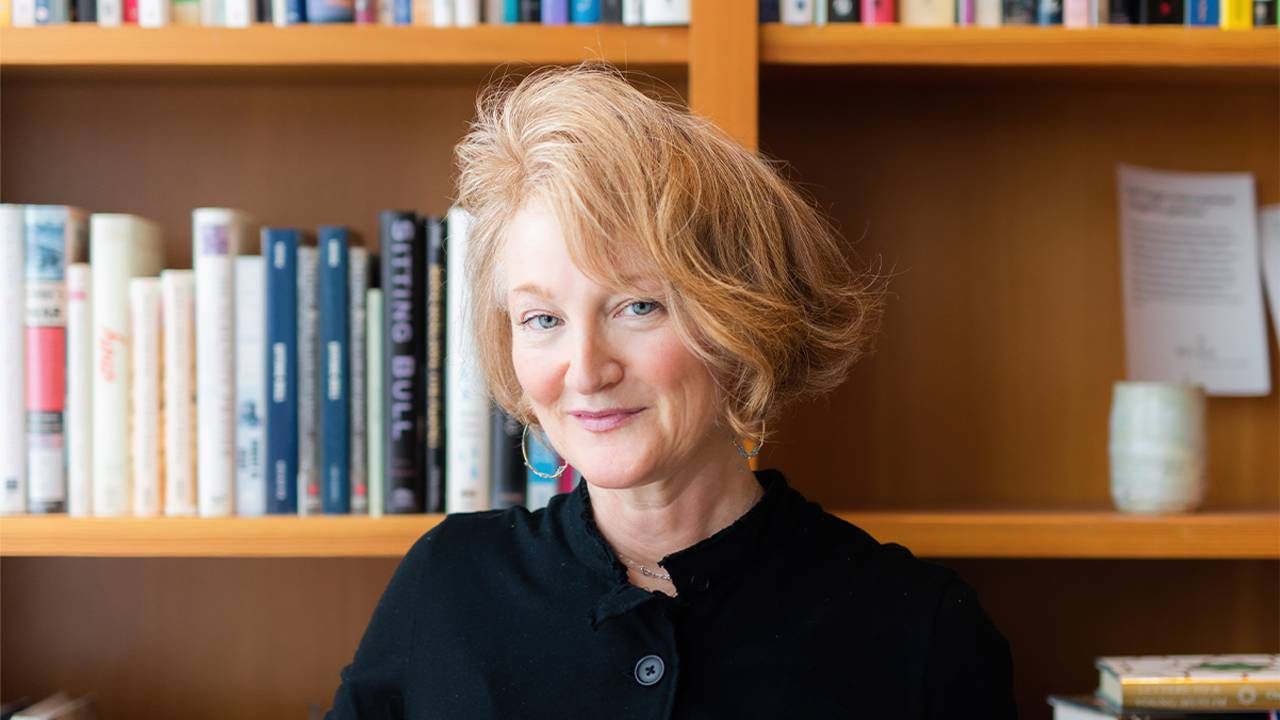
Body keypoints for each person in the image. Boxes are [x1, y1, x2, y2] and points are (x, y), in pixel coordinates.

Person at [326, 63, 1016, 719]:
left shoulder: (917, 627)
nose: (586, 370)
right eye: (543, 319)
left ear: (743, 317)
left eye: (637, 307)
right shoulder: (447, 588)